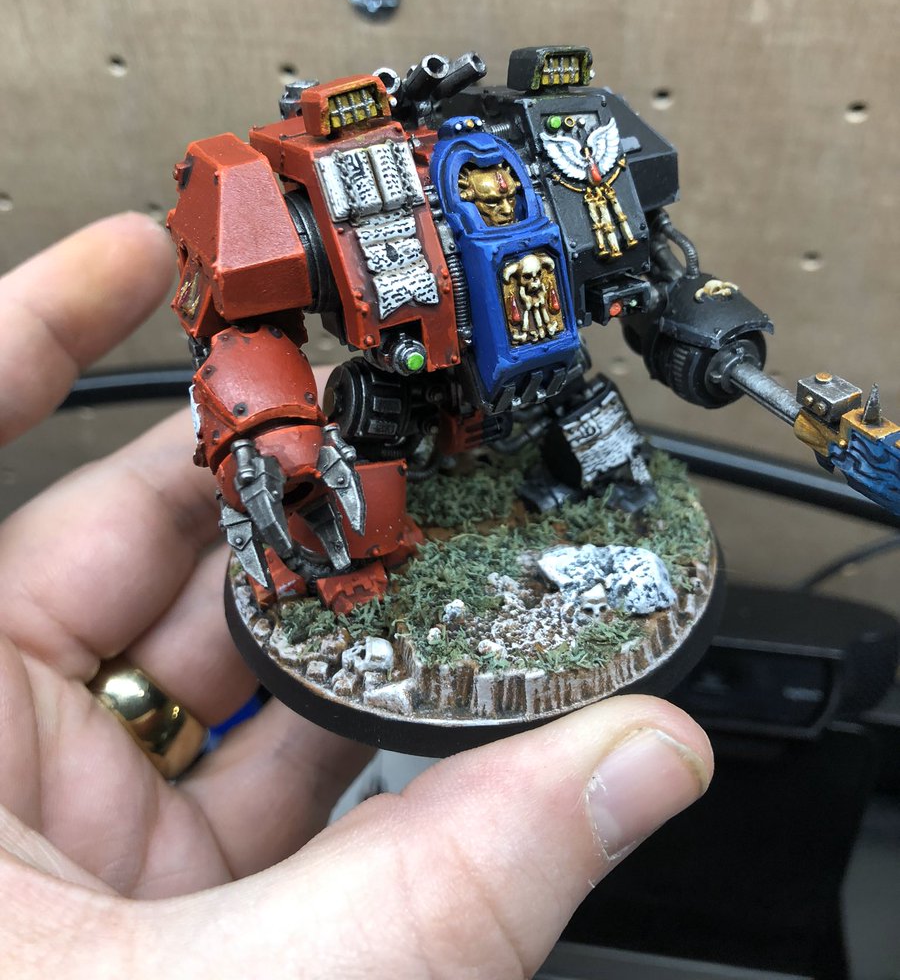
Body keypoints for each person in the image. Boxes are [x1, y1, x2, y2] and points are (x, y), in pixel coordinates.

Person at [0, 212, 713, 977]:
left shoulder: (563, 177)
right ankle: (352, 549)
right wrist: (269, 430)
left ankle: (589, 482)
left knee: (584, 422)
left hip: (536, 371)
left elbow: (644, 263)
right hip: (404, 379)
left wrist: (701, 329)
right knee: (365, 454)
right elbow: (238, 312)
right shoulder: (331, 199)